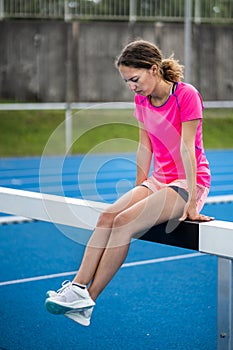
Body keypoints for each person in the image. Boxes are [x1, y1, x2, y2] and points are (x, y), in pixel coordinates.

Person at [45, 39, 213, 326]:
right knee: (109, 214)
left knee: (124, 222)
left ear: (154, 69)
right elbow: (144, 145)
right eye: (127, 82)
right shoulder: (141, 100)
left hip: (187, 181)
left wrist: (193, 202)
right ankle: (76, 288)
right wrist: (140, 187)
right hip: (159, 180)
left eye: (134, 79)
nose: (132, 87)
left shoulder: (186, 95)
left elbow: (187, 147)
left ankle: (90, 299)